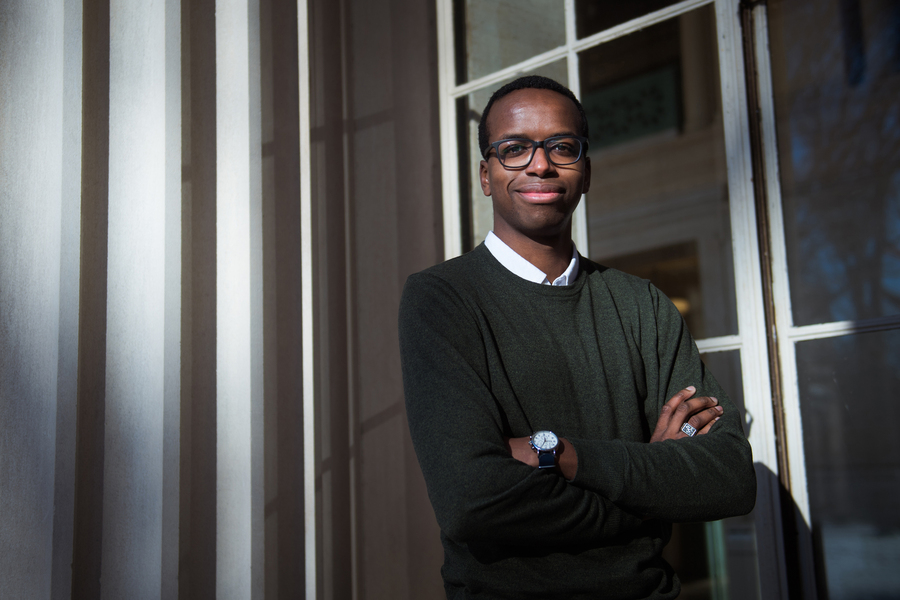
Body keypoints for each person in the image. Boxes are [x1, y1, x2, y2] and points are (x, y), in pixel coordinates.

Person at [398, 75, 756, 600]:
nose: (540, 165)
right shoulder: (441, 299)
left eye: (562, 147)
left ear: (585, 171)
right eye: (514, 149)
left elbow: (728, 478)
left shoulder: (642, 304)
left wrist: (562, 454)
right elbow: (471, 503)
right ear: (486, 174)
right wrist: (650, 484)